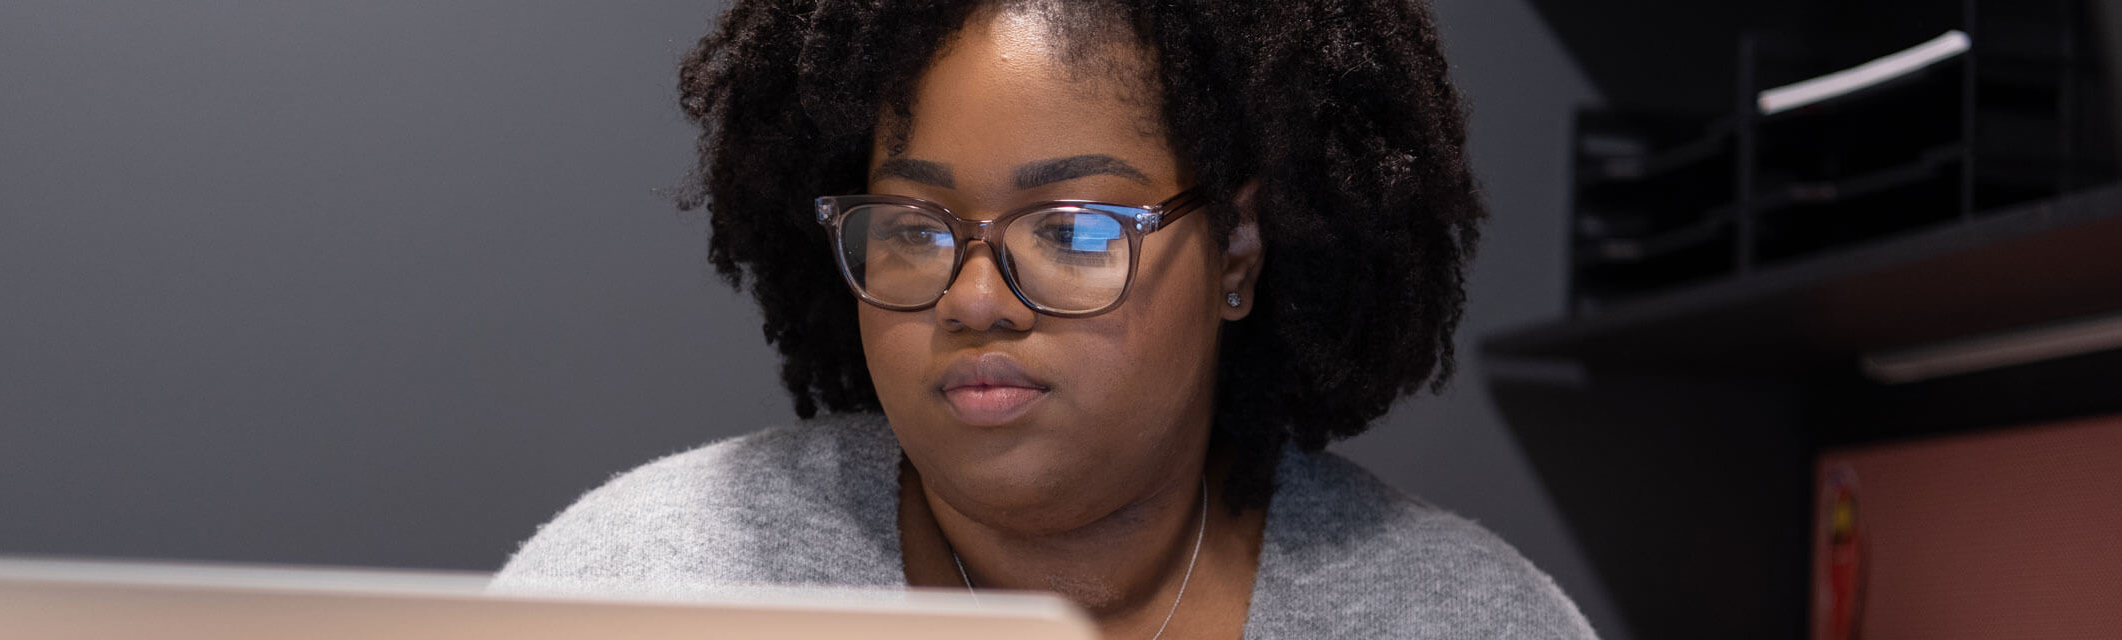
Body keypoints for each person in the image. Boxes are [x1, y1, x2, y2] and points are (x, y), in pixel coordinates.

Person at [494, 1, 1597, 638]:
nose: (974, 300)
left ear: (1239, 252)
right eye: (916, 228)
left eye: (1069, 232)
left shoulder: (1462, 618)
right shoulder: (638, 585)